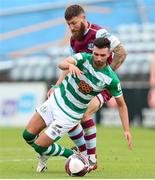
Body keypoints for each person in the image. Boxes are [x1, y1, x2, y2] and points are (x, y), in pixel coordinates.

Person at [22, 37, 132, 173]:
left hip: (69, 115)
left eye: (102, 55)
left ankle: (73, 155)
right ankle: (74, 154)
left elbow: (121, 105)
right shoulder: (84, 58)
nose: (98, 58)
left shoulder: (111, 79)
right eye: (96, 54)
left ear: (109, 55)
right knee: (27, 136)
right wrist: (70, 65)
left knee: (39, 146)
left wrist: (126, 129)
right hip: (55, 101)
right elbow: (62, 64)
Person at [46, 4, 127, 172]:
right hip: (81, 87)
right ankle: (85, 154)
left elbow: (121, 52)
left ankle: (91, 158)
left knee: (84, 113)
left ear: (83, 18)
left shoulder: (99, 33)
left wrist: (105, 77)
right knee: (71, 115)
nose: (71, 27)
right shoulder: (73, 40)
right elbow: (69, 64)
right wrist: (57, 85)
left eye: (74, 23)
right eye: (68, 24)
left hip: (100, 86)